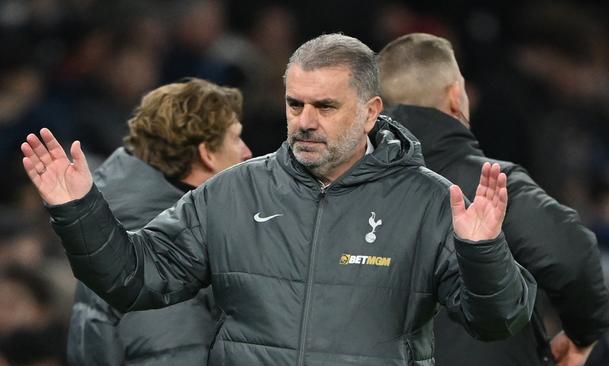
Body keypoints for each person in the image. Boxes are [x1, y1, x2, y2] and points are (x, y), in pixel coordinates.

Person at [21, 33, 536, 365]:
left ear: (371, 110)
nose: (305, 120)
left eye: (325, 106)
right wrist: (80, 209)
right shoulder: (234, 189)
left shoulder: (428, 201)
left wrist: (483, 251)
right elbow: (135, 280)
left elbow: (496, 321)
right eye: (295, 104)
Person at [377, 33, 609, 366]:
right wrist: (582, 333)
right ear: (457, 97)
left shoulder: (347, 191)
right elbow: (571, 256)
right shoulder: (493, 185)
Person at [67, 78, 252, 365]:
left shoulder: (120, 220)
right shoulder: (168, 246)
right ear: (207, 153)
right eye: (236, 137)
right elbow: (171, 353)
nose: (247, 152)